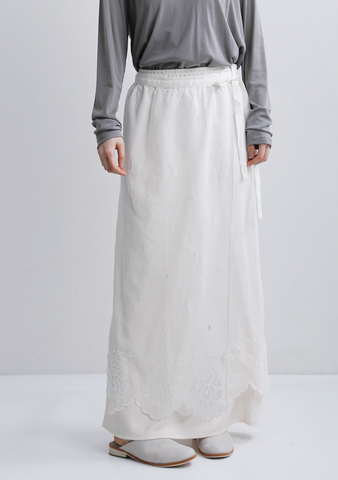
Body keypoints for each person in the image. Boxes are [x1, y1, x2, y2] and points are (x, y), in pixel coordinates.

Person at [91, 0, 272, 468]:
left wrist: (260, 114)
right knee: (152, 267)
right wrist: (106, 122)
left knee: (216, 266)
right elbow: (111, 33)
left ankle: (205, 410)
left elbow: (251, 27)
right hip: (160, 110)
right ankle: (133, 425)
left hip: (224, 109)